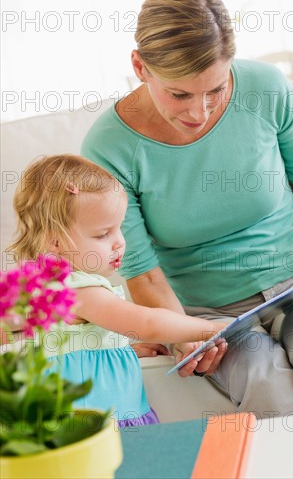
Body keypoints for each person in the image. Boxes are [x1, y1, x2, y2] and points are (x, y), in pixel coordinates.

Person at [81, 0, 293, 416]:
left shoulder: (264, 87)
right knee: (266, 382)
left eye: (215, 89)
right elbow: (144, 276)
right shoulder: (109, 149)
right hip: (208, 316)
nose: (200, 113)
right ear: (140, 67)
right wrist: (183, 334)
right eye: (179, 94)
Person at [8, 154, 228, 427]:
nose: (119, 243)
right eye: (102, 234)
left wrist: (118, 348)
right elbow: (147, 322)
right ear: (54, 241)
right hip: (98, 426)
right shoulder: (76, 288)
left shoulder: (46, 287)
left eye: (119, 228)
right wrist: (210, 328)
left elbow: (60, 349)